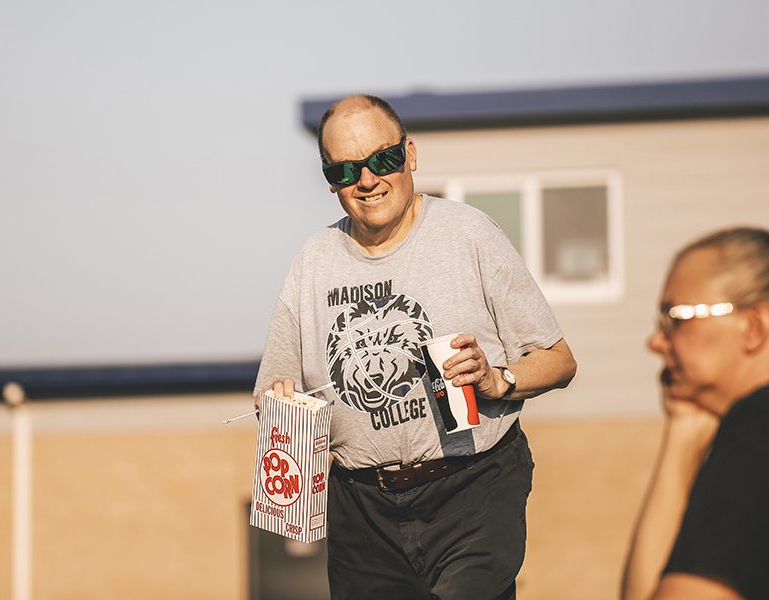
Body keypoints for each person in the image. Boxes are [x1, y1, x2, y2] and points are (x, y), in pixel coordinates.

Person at [254, 94, 577, 600]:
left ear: (410, 154)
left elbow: (559, 361)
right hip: (361, 510)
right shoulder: (313, 260)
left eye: (382, 160)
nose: (367, 181)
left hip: (474, 486)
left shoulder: (467, 234)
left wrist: (498, 379)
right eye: (345, 170)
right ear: (330, 178)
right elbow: (274, 396)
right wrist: (282, 411)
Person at [622, 227, 769, 600]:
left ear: (755, 326)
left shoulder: (756, 428)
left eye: (676, 318)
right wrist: (685, 429)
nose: (655, 341)